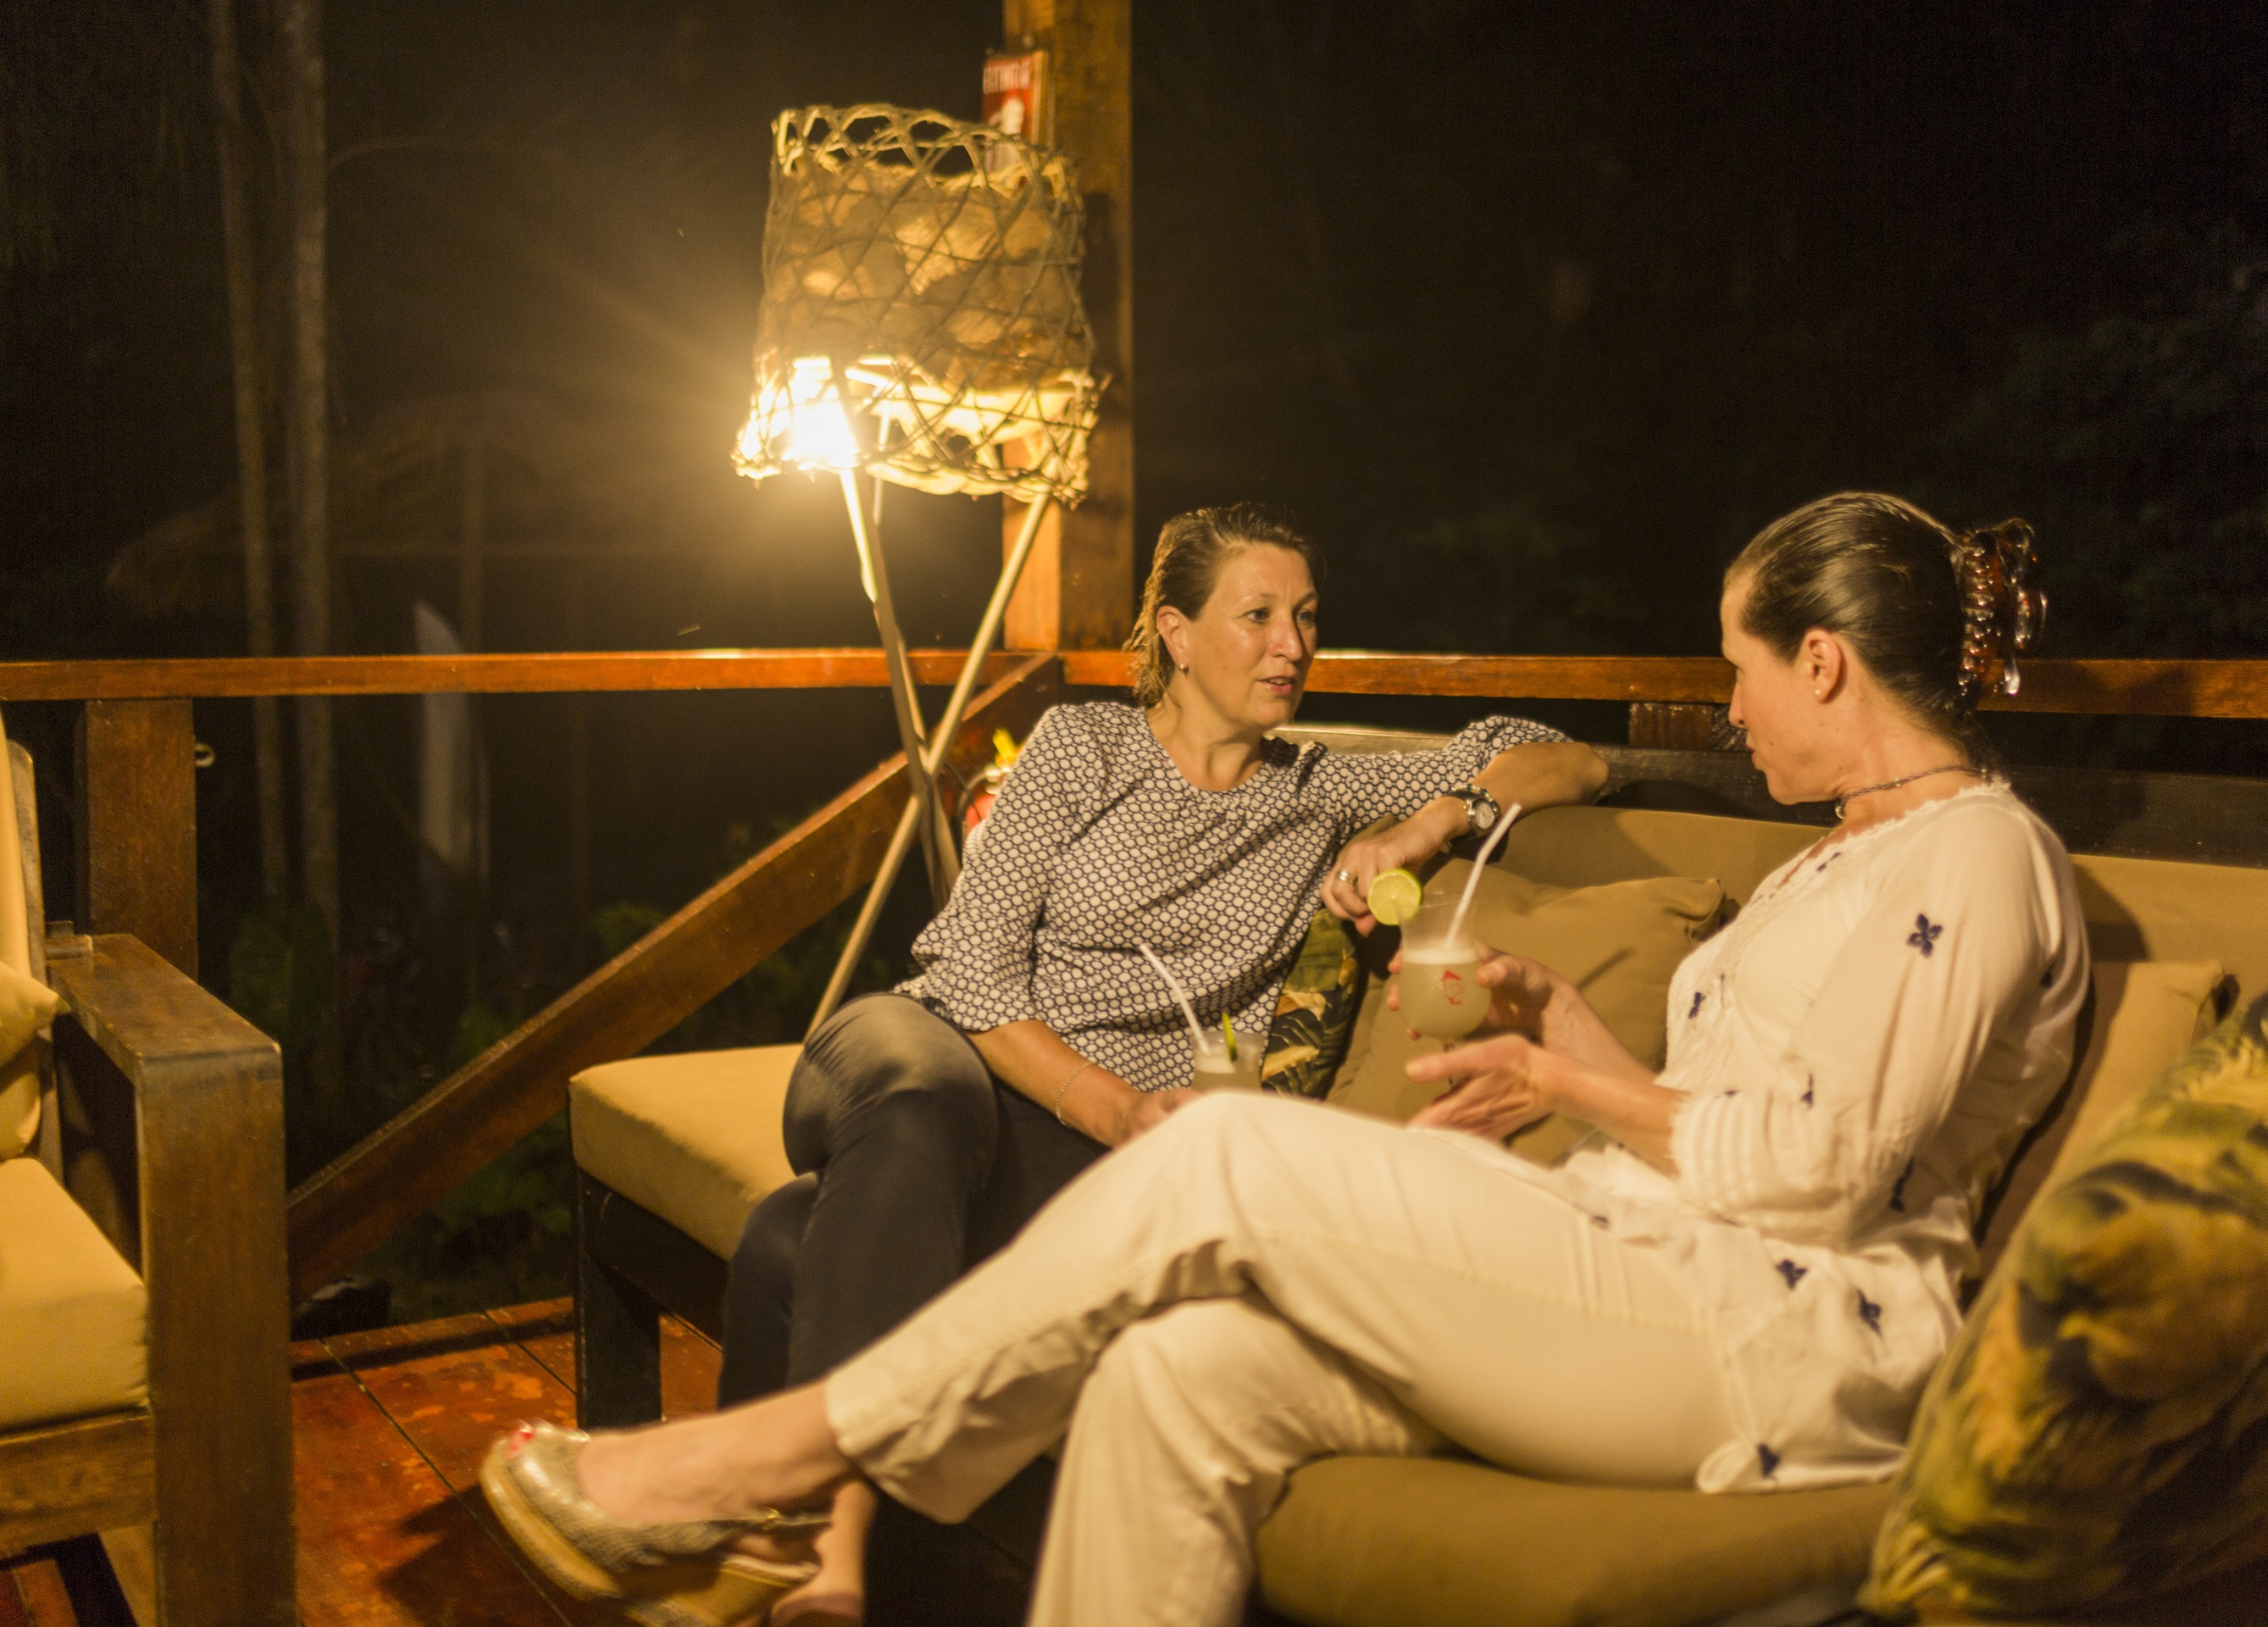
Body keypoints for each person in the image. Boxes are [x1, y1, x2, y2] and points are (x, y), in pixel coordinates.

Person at [484, 492, 2087, 1627]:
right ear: (1172, 634)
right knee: (1179, 1378)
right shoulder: (1831, 867)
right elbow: (1743, 1105)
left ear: (1823, 662)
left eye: (1740, 672)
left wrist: (1575, 1069)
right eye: (1257, 612)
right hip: (1629, 1255)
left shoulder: (1981, 856)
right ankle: (837, 1521)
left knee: (1219, 1150)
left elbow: (1824, 1166)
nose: (1730, 714)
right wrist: (1574, 1045)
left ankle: (754, 1463)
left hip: (1791, 1335)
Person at [712, 502, 1608, 1620]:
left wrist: (1429, 825)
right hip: (936, 1047)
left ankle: (785, 1568)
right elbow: (973, 968)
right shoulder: (1082, 746)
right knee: (918, 1109)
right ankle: (833, 1550)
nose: (1295, 645)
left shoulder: (1317, 788)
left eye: (1308, 618)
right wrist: (1116, 1109)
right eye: (1260, 616)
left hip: (1076, 1148)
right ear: (1177, 635)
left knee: (789, 1238)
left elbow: (1570, 761)